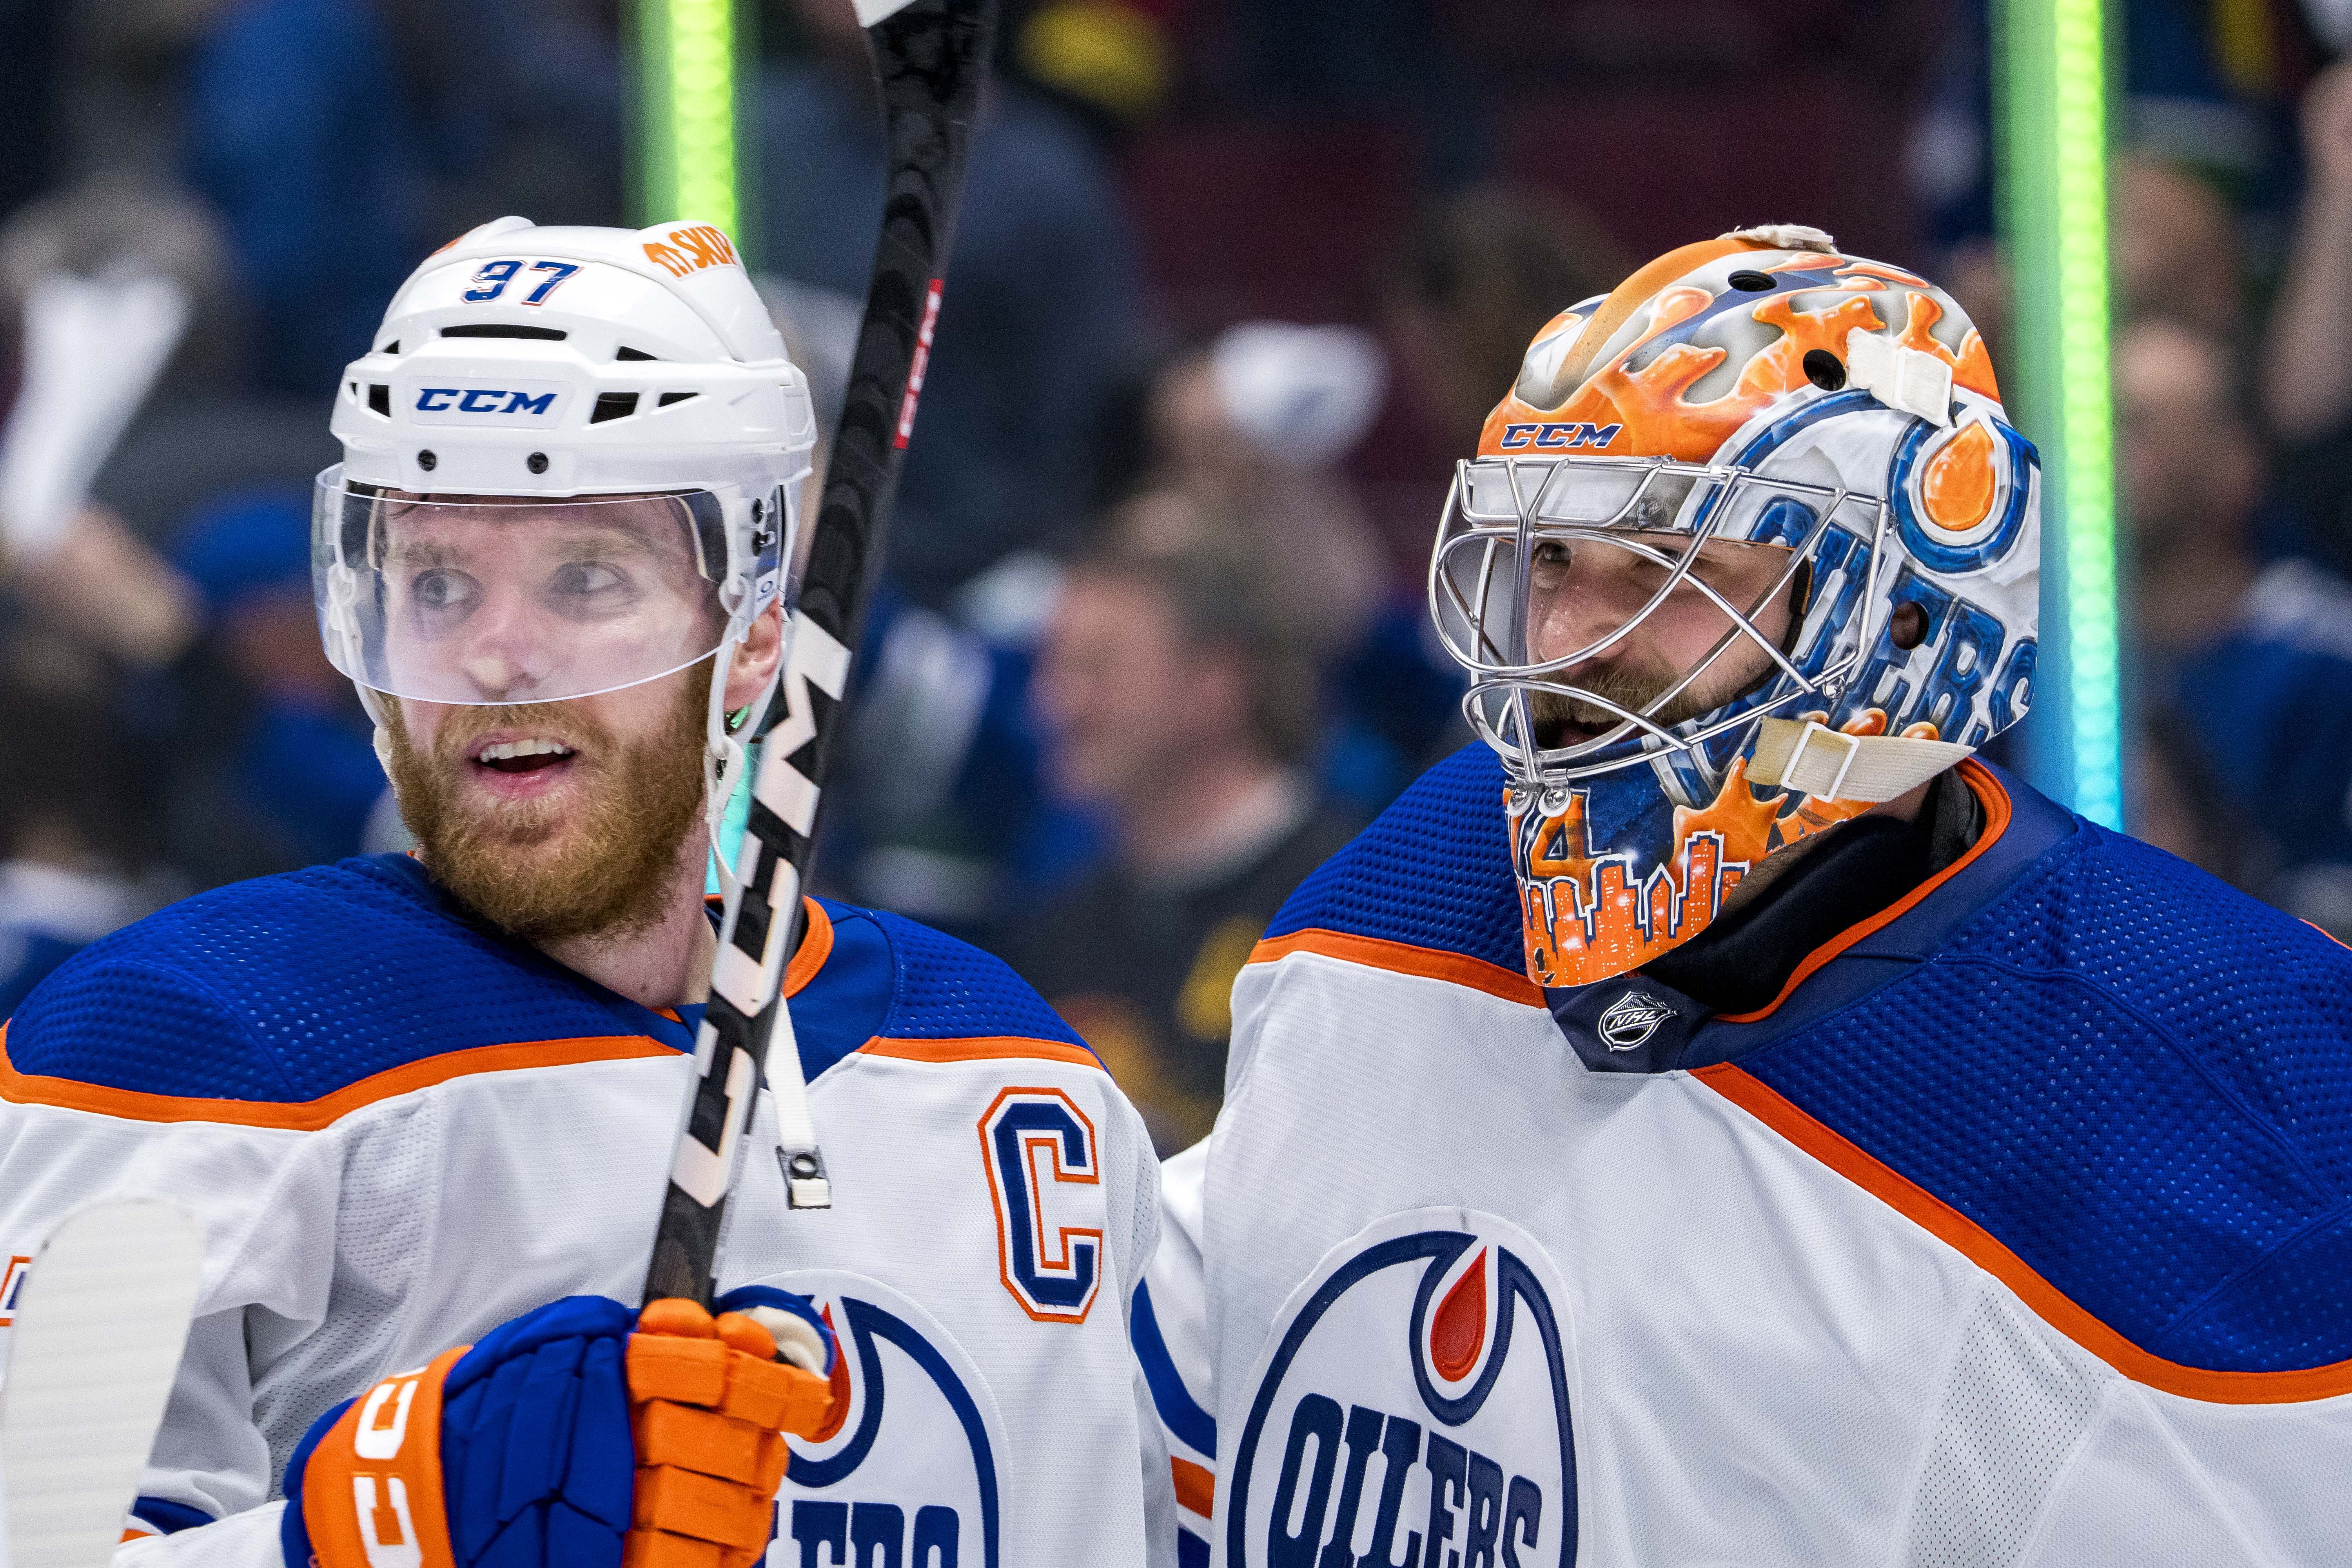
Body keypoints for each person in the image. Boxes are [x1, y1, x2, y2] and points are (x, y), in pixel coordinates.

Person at [1146, 226, 2352, 1566]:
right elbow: (1191, 1381)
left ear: (1901, 621)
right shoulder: (1424, 882)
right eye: (1552, 561)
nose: (1563, 649)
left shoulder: (2219, 1075)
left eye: (1667, 572)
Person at [0, 219, 1173, 1566]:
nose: (498, 656)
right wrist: (386, 1528)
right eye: (437, 581)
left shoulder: (1014, 1079)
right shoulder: (174, 1049)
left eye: (587, 578)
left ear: (751, 641)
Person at [1011, 521, 1361, 1152]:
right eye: (1053, 667)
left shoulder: (1351, 903)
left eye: (1097, 668)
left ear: (1214, 683)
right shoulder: (1065, 920)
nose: (1053, 705)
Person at [2117, 316, 2352, 930]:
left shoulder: (2325, 662)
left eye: (2135, 425)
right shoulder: (2048, 658)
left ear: (2237, 462)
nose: (2094, 455)